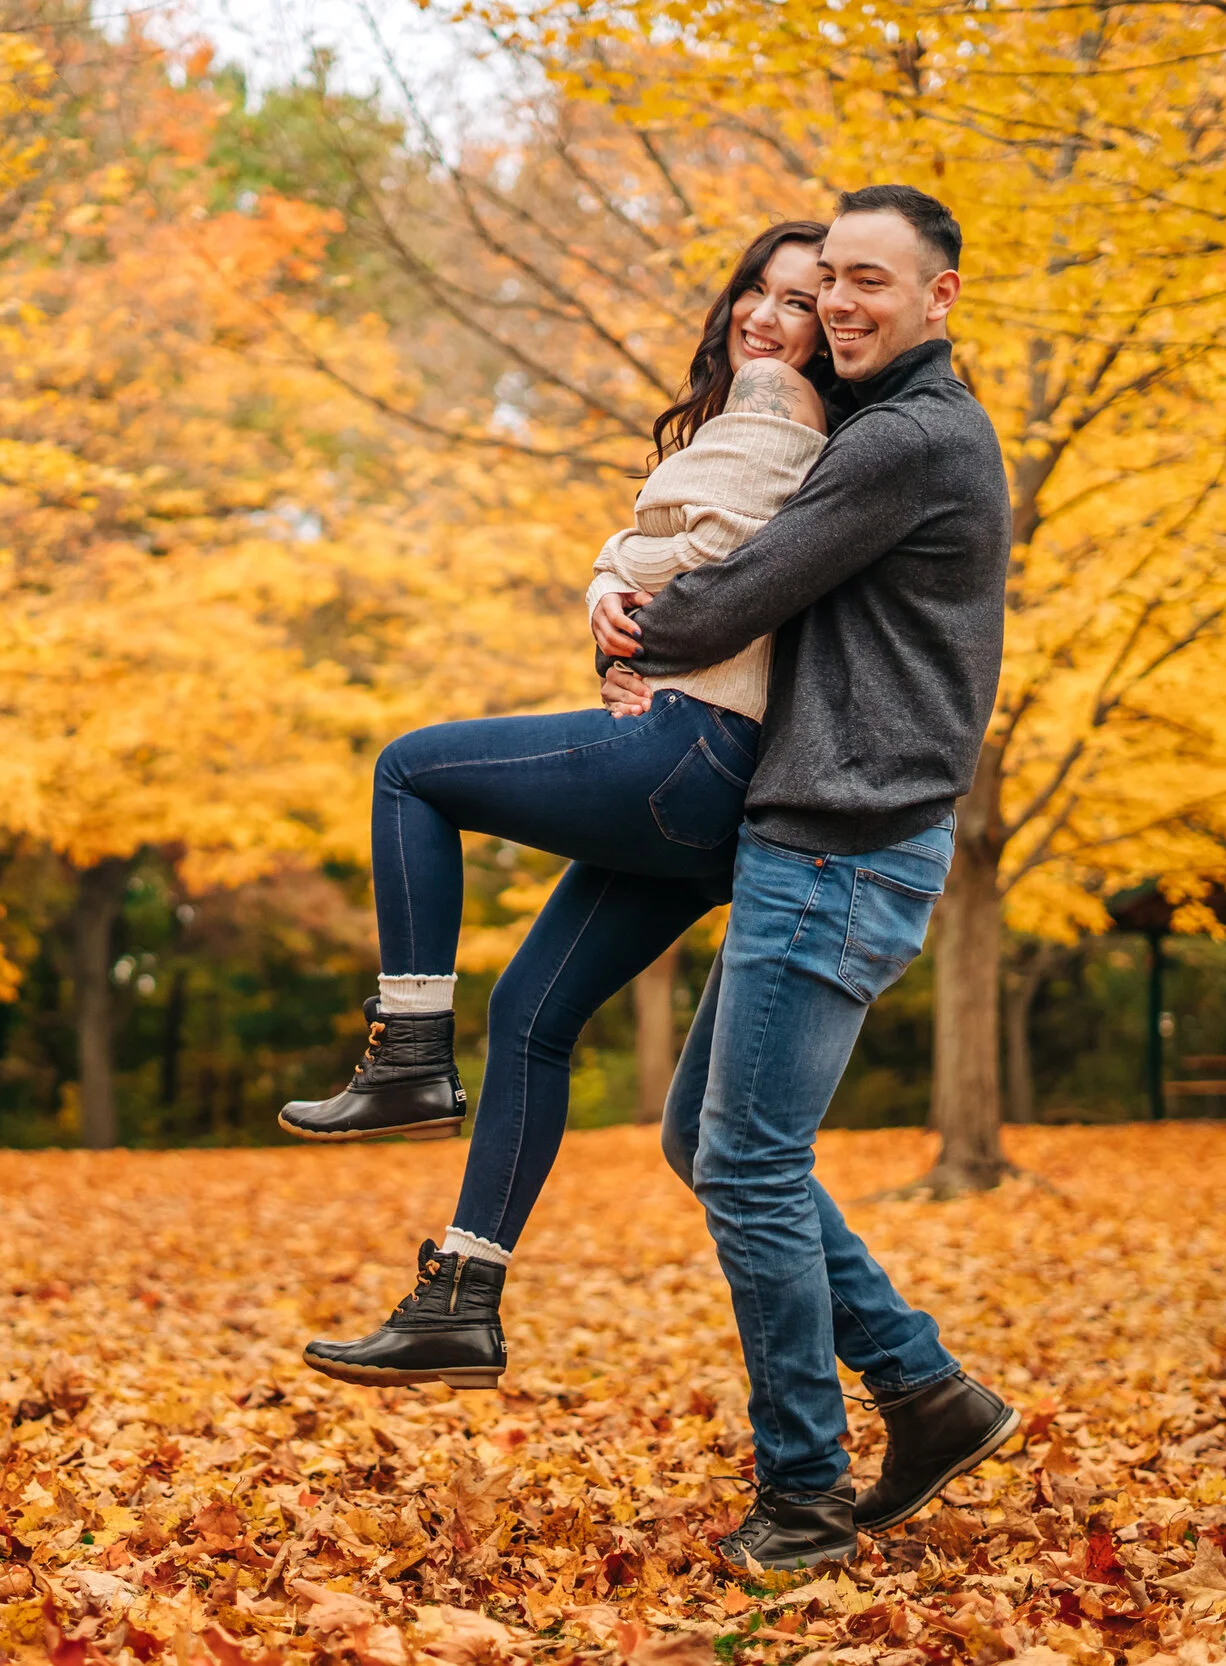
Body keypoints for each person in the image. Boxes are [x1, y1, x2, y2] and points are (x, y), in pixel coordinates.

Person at [278, 223, 840, 1388]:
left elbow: (699, 553)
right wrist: (607, 579)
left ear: (827, 336)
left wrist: (619, 585)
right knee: (531, 1012)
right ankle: (461, 1300)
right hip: (702, 804)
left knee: (408, 769)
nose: (765, 319)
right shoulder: (751, 418)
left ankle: (407, 1051)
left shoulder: (783, 417)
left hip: (689, 751)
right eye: (755, 291)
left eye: (798, 304)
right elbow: (651, 549)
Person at [594, 185, 1016, 1572]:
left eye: (872, 281)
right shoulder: (892, 429)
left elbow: (730, 597)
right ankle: (927, 1389)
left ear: (941, 297)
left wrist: (627, 604)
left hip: (844, 839)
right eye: (829, 274)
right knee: (700, 1143)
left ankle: (805, 1496)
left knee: (753, 1164)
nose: (838, 300)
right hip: (824, 833)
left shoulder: (909, 439)